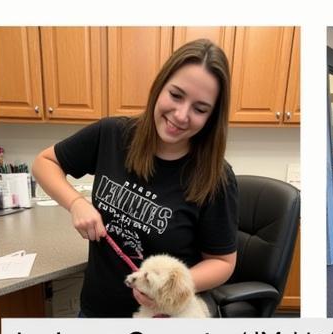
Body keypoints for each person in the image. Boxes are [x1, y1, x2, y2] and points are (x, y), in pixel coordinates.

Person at [32, 38, 238, 317]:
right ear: (159, 87)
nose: (181, 115)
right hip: (97, 312)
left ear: (212, 117)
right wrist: (76, 203)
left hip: (164, 320)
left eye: (200, 109)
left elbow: (223, 262)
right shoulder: (112, 135)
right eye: (176, 95)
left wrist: (170, 291)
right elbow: (45, 162)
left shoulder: (217, 177)